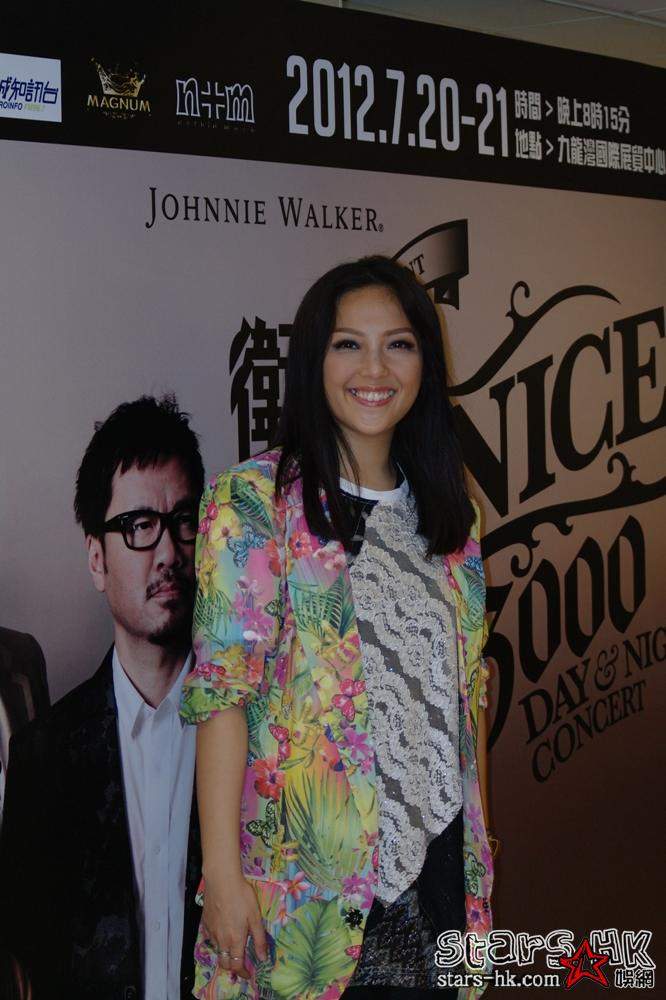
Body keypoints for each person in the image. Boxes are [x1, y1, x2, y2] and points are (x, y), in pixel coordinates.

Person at [181, 257, 494, 1000]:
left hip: (441, 886)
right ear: (313, 362)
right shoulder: (253, 502)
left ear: (426, 361)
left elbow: (470, 695)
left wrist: (484, 845)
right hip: (307, 906)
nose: (374, 369)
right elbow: (222, 697)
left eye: (399, 344)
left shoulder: (454, 513)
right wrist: (221, 875)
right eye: (348, 344)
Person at [0, 395, 204, 1000]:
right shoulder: (43, 757)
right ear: (96, 557)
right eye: (138, 526)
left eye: (184, 520)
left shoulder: (266, 734)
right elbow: (32, 958)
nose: (168, 552)